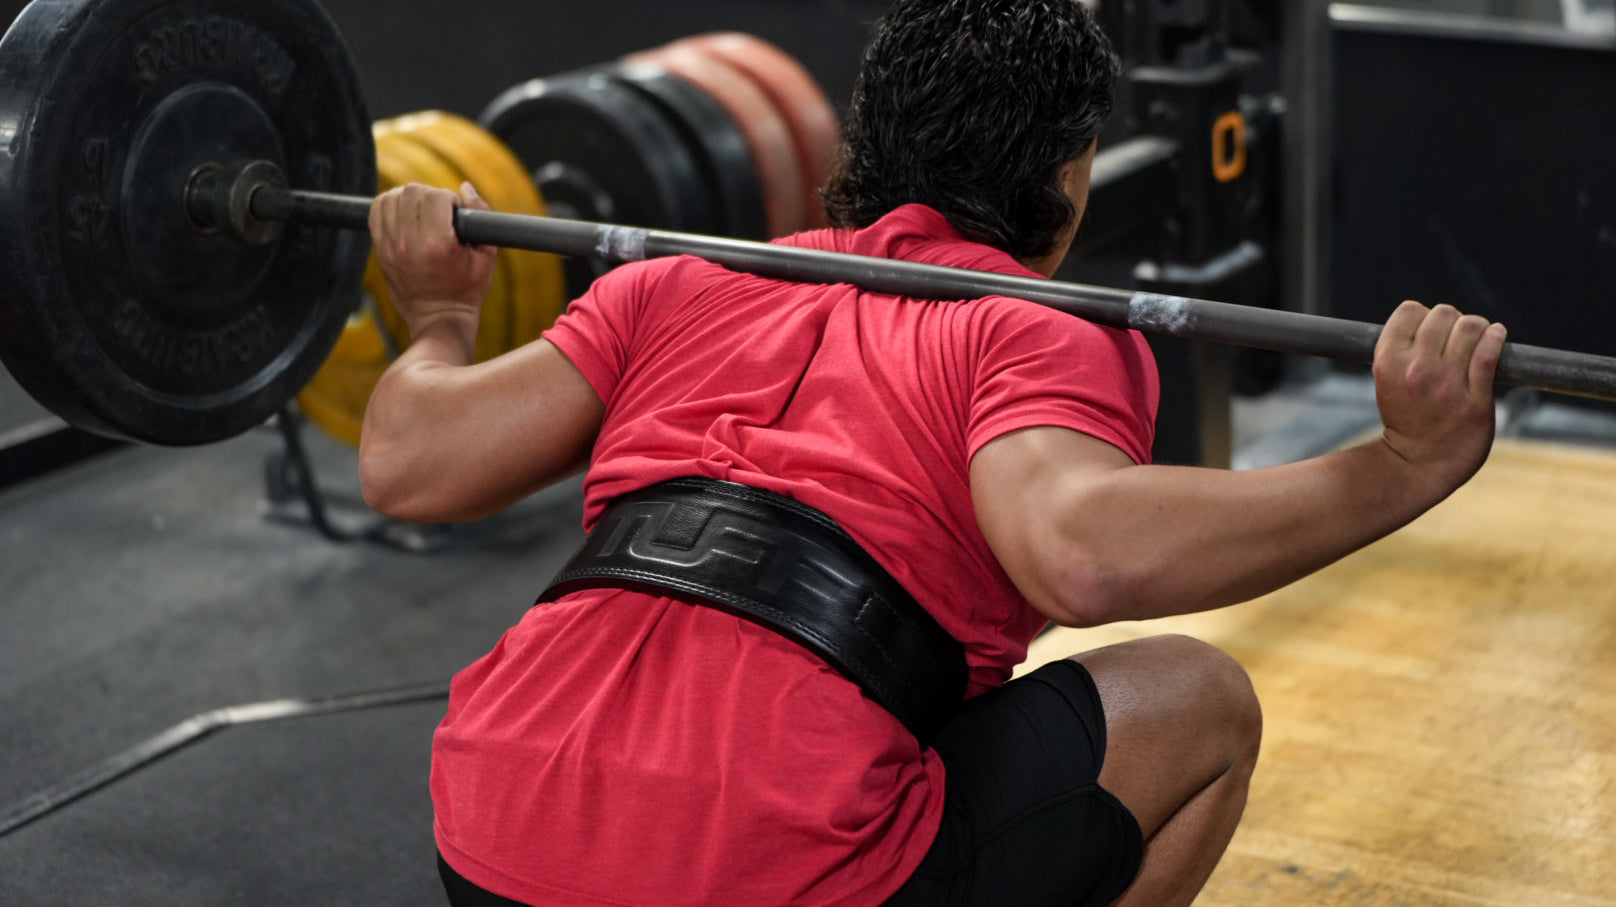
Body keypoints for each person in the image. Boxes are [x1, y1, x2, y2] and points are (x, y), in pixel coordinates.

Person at [358, 0, 1507, 904]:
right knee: (1195, 703)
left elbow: (411, 464)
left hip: (492, 836)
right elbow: (1080, 557)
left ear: (872, 143)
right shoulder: (1035, 325)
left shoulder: (675, 280)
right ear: (1067, 179)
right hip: (768, 874)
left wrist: (442, 317)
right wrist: (1397, 464)